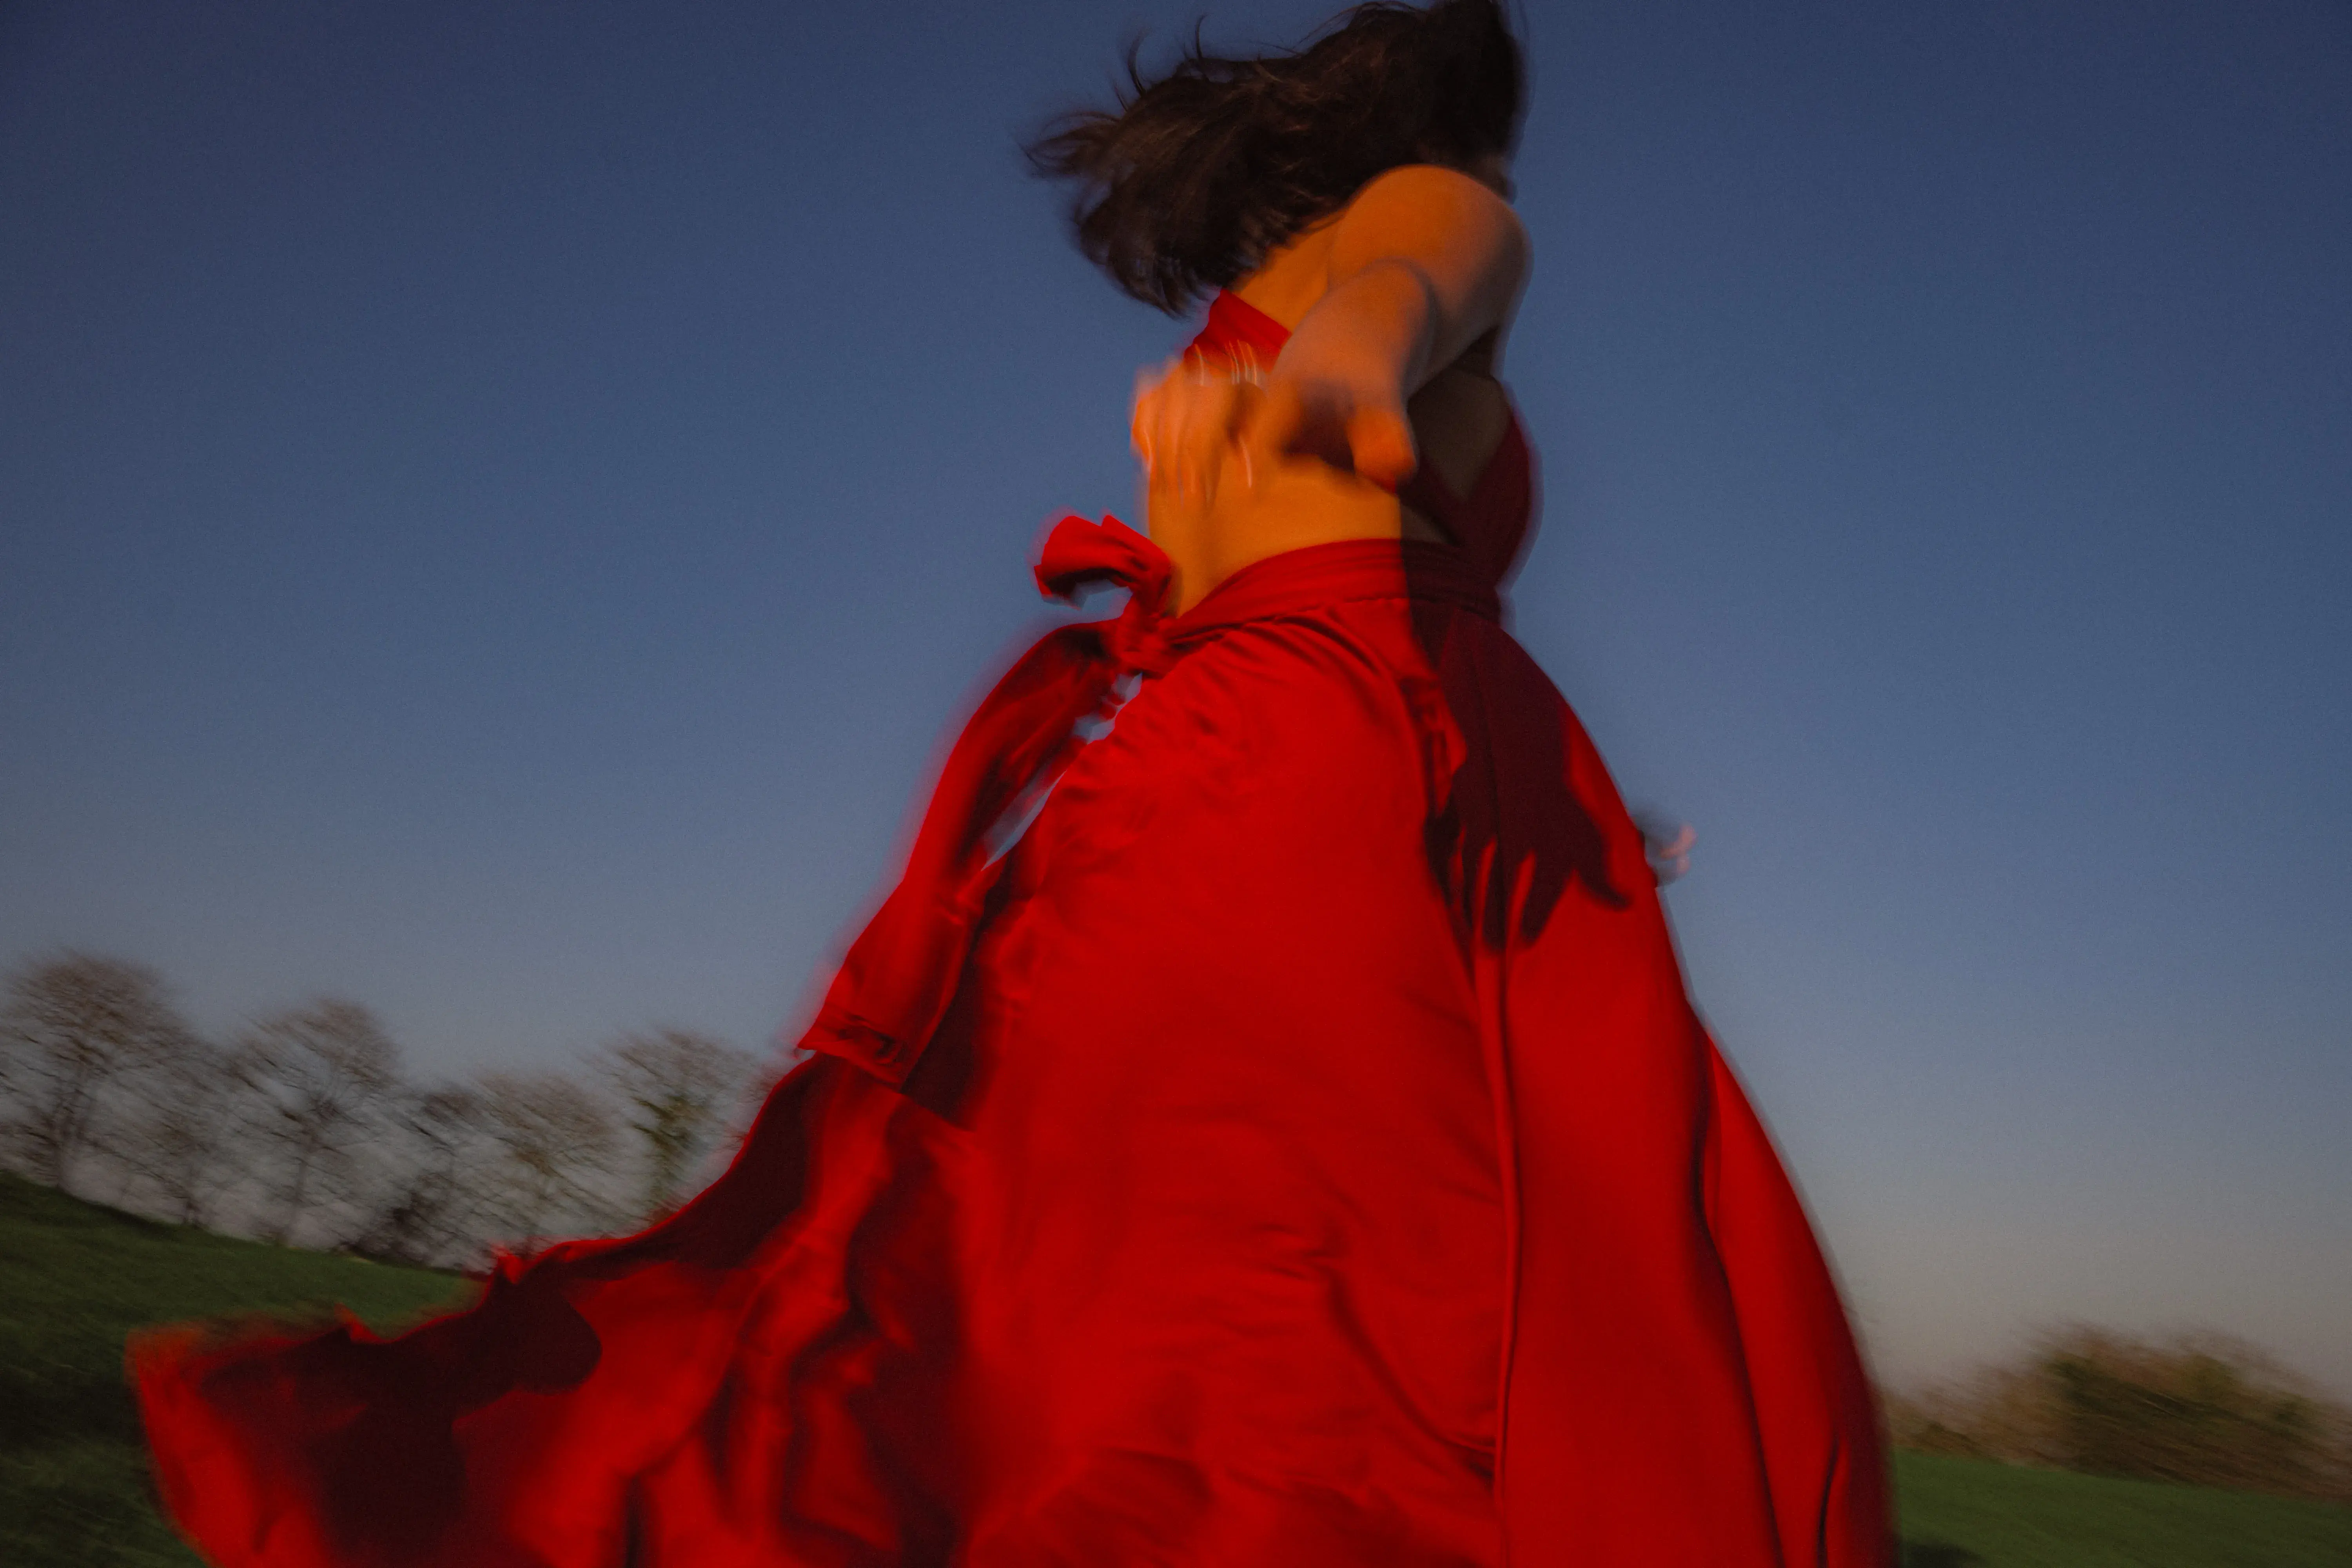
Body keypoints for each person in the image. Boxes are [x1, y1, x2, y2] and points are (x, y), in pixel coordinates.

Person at [131, 2, 1893, 1563]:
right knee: (1349, 1307)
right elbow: (1426, 275)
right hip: (1333, 746)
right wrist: (1356, 357)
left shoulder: (1236, 331)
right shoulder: (1441, 211)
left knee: (1040, 1290)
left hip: (1194, 772)